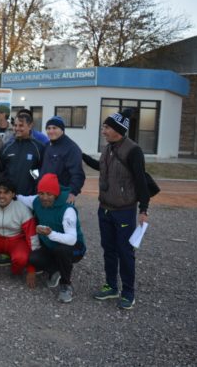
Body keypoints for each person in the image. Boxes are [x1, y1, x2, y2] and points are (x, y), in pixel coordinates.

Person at [82, 110, 150, 310]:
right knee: (109, 250)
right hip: (104, 209)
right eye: (104, 127)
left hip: (124, 211)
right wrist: (83, 156)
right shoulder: (108, 148)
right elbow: (101, 167)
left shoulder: (133, 151)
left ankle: (128, 292)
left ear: (118, 130)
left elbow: (141, 182)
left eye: (107, 127)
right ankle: (111, 286)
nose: (103, 131)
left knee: (125, 252)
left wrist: (144, 210)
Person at [17, 173, 87, 303]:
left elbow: (72, 239)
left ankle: (66, 285)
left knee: (62, 250)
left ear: (56, 194)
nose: (44, 198)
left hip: (75, 248)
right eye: (41, 193)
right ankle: (55, 269)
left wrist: (50, 234)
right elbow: (20, 198)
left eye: (49, 194)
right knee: (33, 258)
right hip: (51, 246)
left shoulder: (67, 209)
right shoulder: (36, 201)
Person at [0, 111, 44, 195]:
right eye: (15, 125)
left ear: (30, 126)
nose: (17, 128)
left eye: (21, 126)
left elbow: (41, 171)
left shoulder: (39, 148)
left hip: (28, 197)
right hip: (9, 197)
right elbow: (0, 170)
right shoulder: (7, 147)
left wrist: (34, 185)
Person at [39, 116, 85, 204]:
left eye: (54, 128)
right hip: (44, 195)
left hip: (61, 196)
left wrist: (72, 192)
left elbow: (78, 174)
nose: (51, 131)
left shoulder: (71, 148)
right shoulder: (47, 145)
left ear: (62, 130)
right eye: (48, 128)